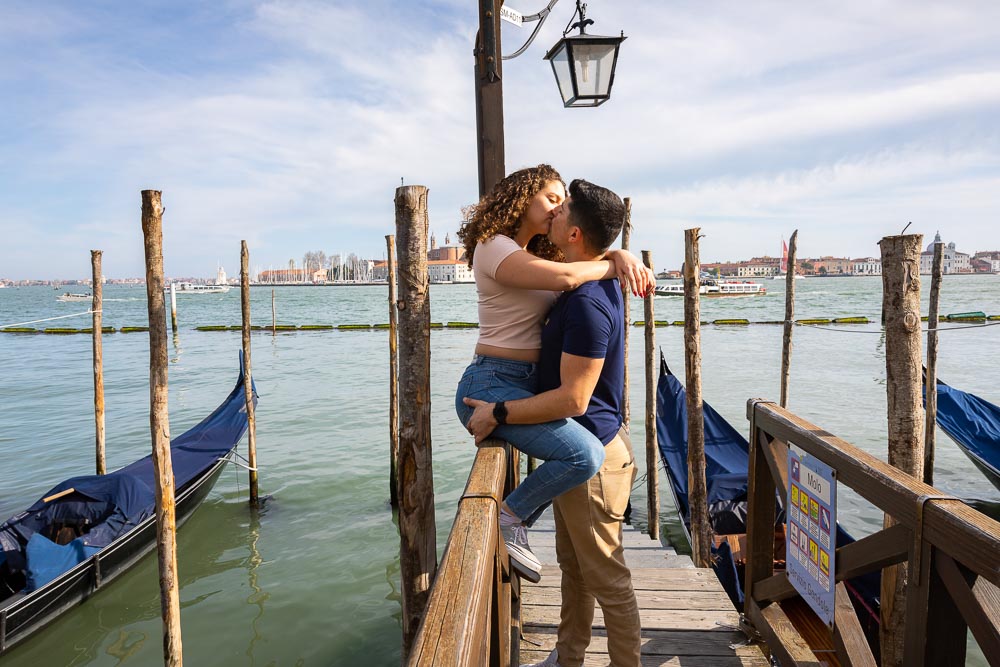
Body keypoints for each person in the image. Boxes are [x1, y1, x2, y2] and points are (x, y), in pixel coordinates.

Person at [464, 179, 641, 667]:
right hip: (597, 443)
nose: (556, 213)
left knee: (607, 577)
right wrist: (618, 257)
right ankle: (569, 658)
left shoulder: (584, 299)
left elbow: (574, 399)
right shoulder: (578, 279)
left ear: (576, 235)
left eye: (563, 209)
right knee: (577, 569)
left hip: (595, 451)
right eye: (552, 201)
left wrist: (499, 412)